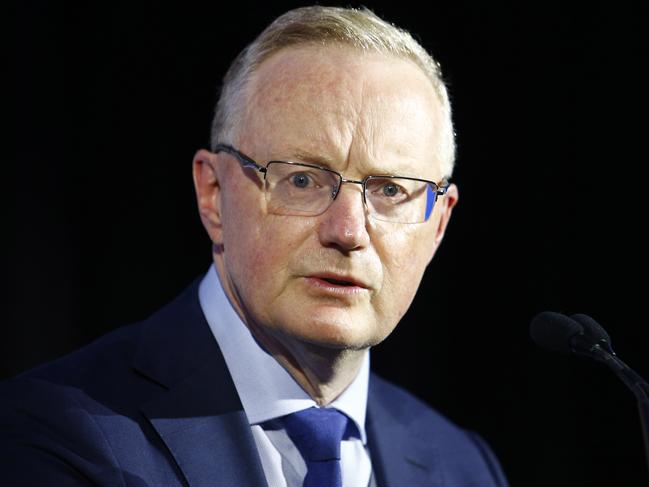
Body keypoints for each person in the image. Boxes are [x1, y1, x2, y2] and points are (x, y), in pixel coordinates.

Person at [1, 6, 508, 486]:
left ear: (438, 225)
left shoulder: (462, 465)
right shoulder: (52, 433)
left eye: (391, 191)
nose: (349, 231)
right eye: (303, 181)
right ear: (214, 196)